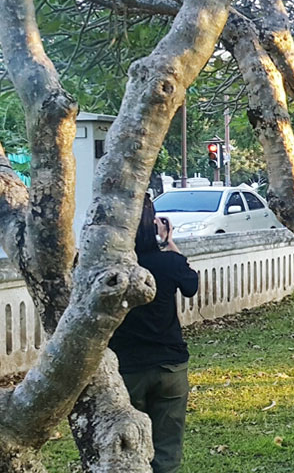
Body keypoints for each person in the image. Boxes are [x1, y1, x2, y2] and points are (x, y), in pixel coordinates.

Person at [110, 195, 200, 473]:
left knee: (128, 447)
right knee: (167, 450)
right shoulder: (168, 263)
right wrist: (168, 241)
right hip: (169, 364)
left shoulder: (111, 269)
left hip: (127, 368)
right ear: (152, 224)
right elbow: (191, 285)